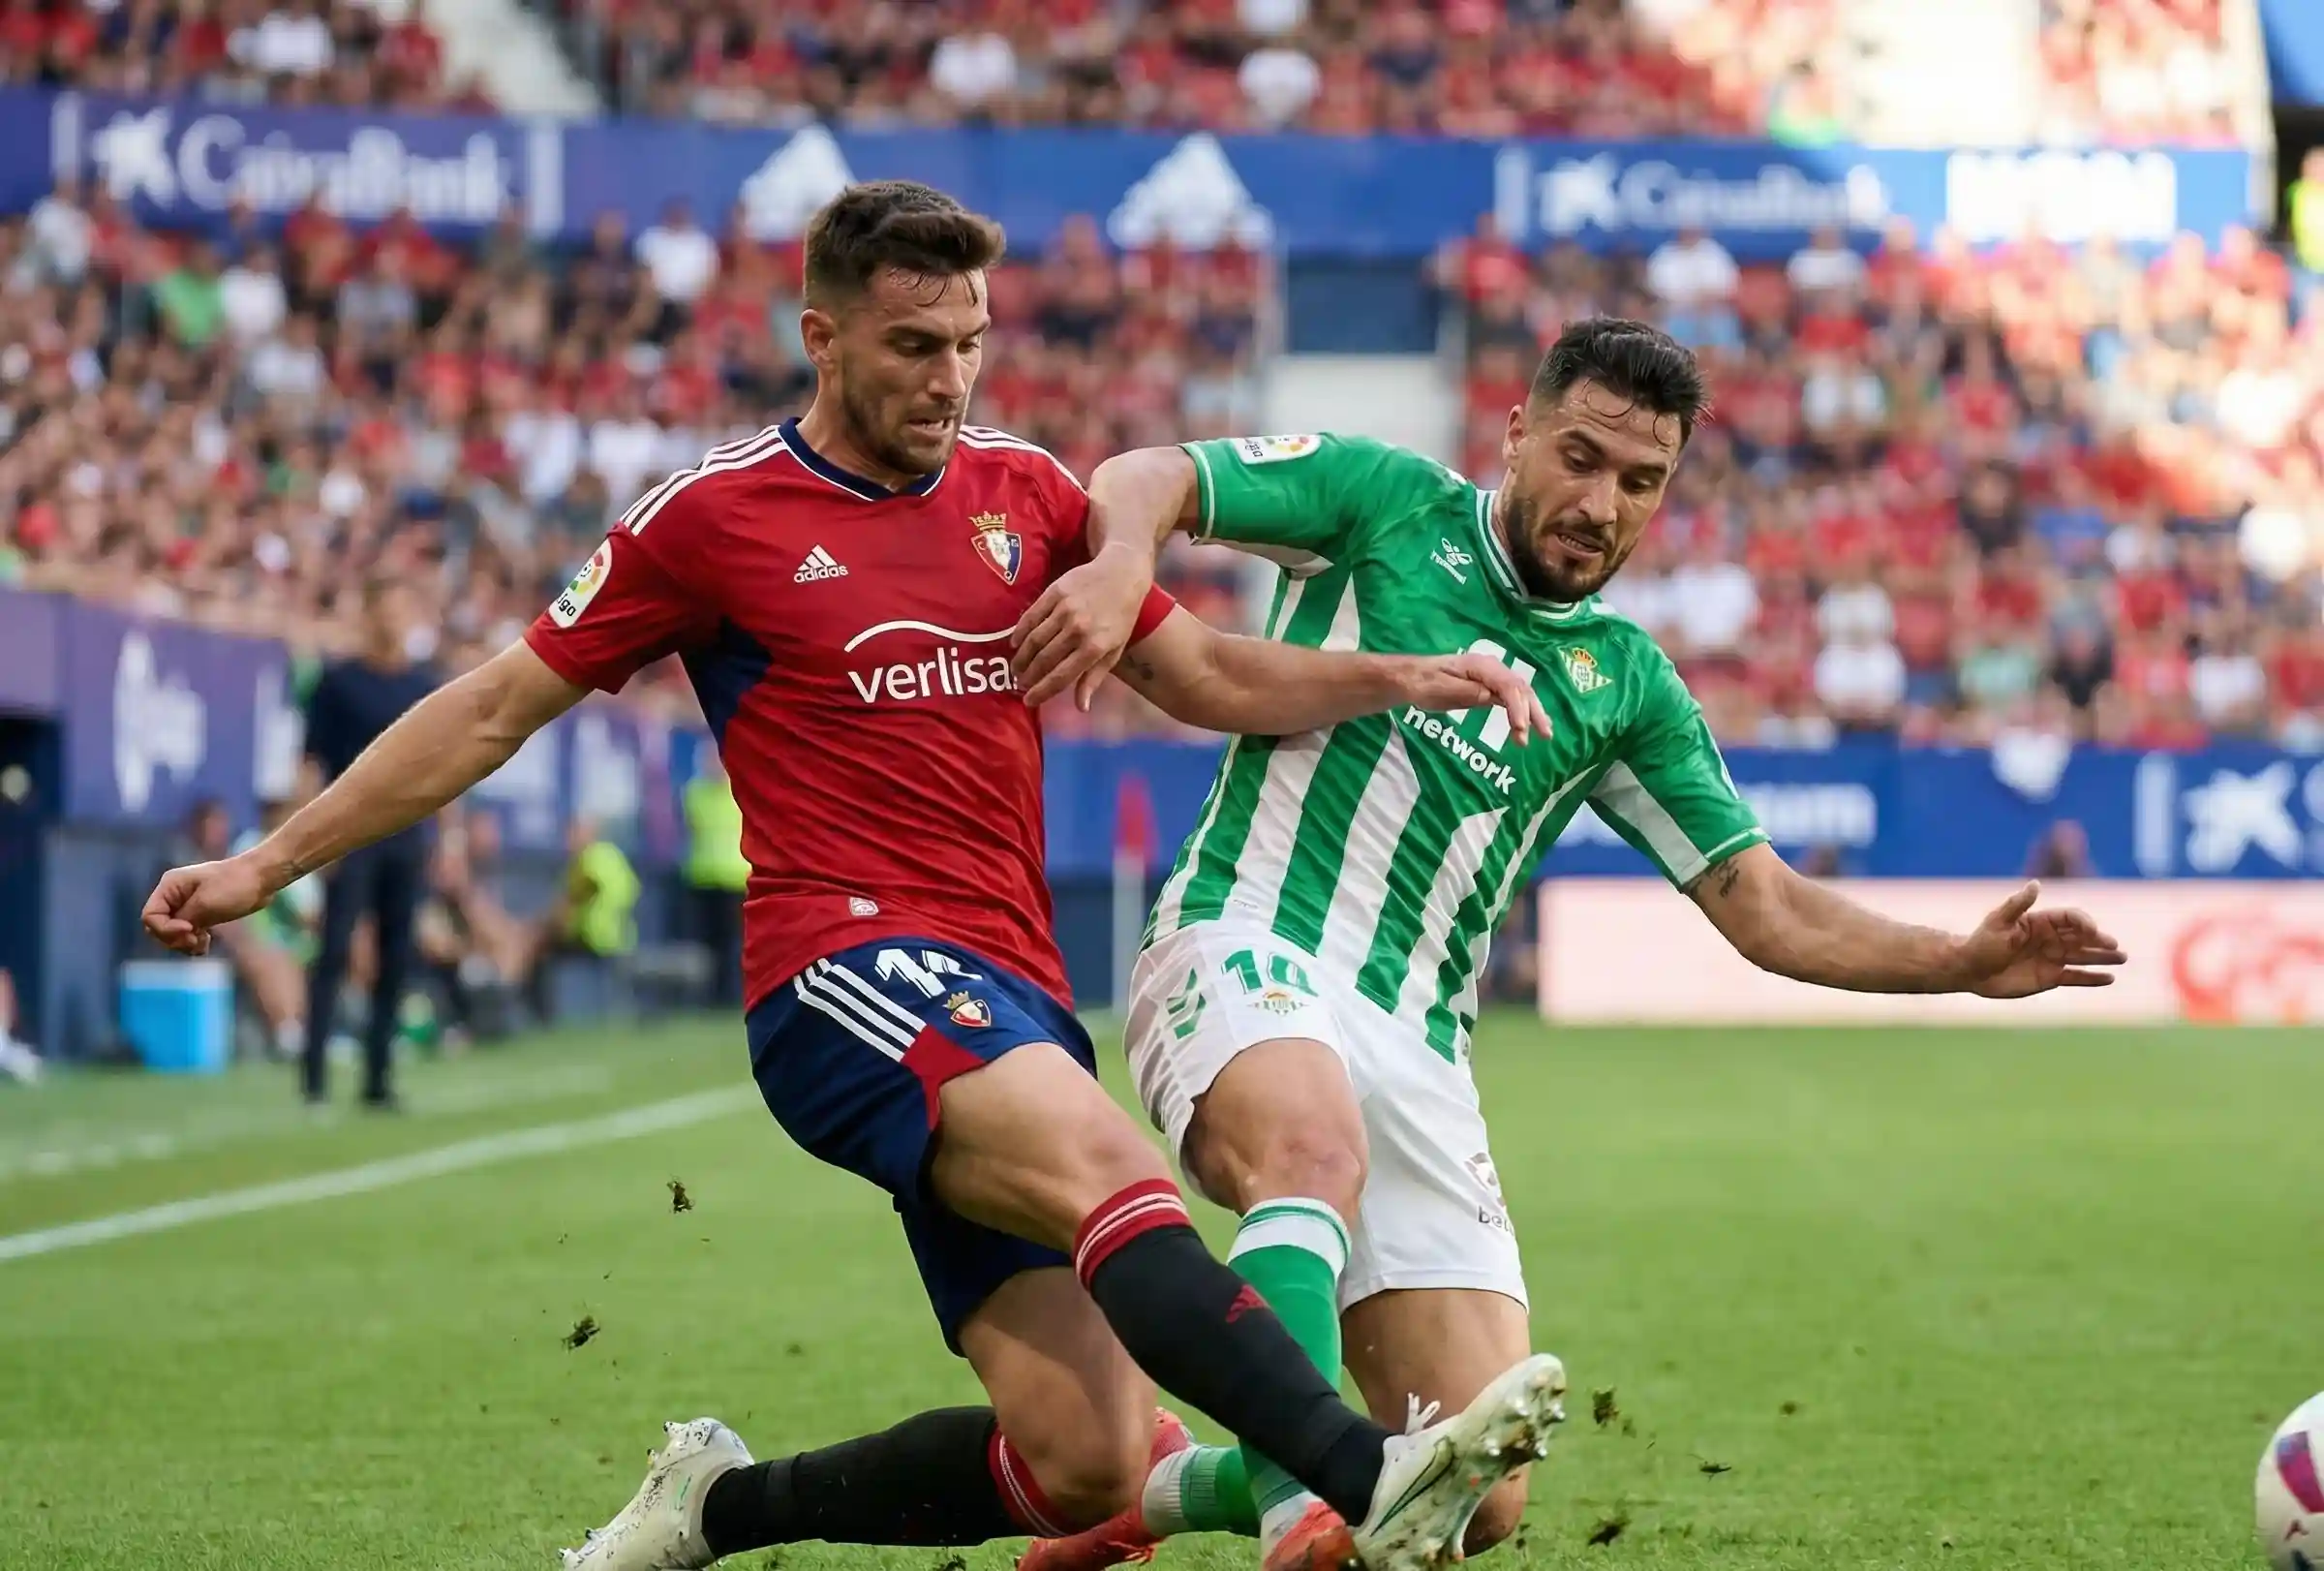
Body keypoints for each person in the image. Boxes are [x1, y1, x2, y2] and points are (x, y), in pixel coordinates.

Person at [140, 181, 1568, 1571]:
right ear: (821, 339)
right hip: (843, 967)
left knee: (1084, 1458)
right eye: (912, 347)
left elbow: (1198, 671)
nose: (949, 378)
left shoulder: (1029, 497)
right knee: (1112, 1169)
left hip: (1006, 989)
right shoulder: (714, 519)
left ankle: (713, 1506)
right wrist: (270, 860)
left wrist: (1397, 674)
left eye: (969, 344)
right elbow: (493, 706)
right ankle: (1358, 1472)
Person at [1009, 317, 2128, 1571]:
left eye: (1640, 481)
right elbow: (1150, 474)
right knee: (1308, 1150)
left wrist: (1961, 961)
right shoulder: (1385, 502)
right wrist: (1117, 563)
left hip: (1418, 1043)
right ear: (1518, 434)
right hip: (1245, 937)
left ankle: (1164, 1486)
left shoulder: (1626, 682)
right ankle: (1299, 1513)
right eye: (1582, 458)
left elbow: (1766, 905)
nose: (1602, 504)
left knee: (1476, 1498)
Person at [297, 575, 441, 1108]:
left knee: (396, 955)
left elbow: (442, 765)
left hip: (406, 835)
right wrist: (308, 837)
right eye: (388, 606)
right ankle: (313, 1075)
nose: (395, 618)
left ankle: (378, 1077)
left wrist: (446, 837)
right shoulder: (338, 683)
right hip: (350, 832)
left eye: (404, 607)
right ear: (370, 612)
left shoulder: (422, 687)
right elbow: (310, 763)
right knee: (334, 950)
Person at [681, 753, 749, 1007]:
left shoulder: (739, 787)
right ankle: (709, 998)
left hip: (734, 879)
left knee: (733, 943)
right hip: (703, 878)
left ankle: (731, 997)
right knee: (706, 944)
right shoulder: (696, 793)